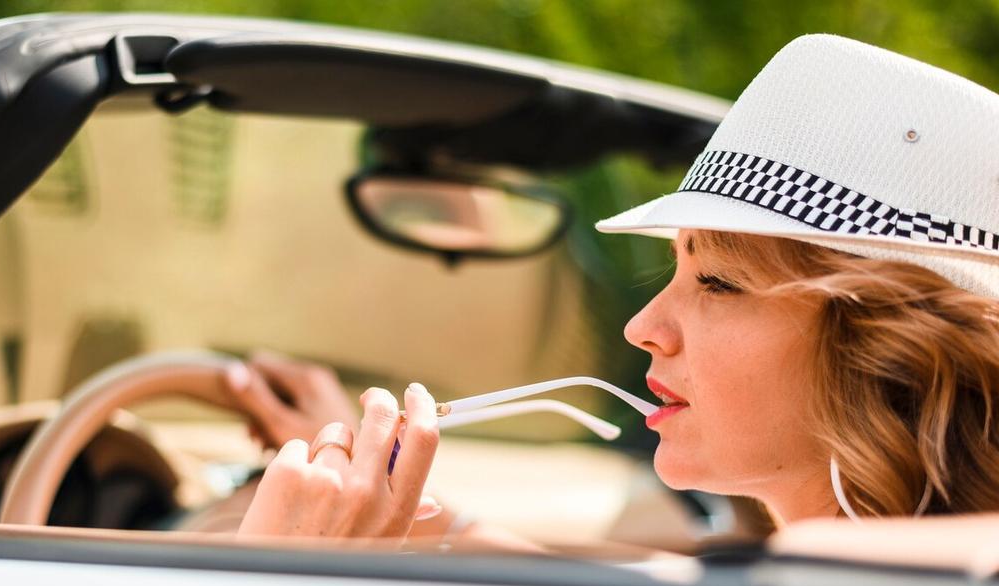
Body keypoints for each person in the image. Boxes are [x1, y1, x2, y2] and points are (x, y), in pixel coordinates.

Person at [226, 34, 999, 543]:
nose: (642, 326)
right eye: (678, 271)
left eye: (721, 282)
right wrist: (394, 504)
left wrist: (272, 577)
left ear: (893, 350)